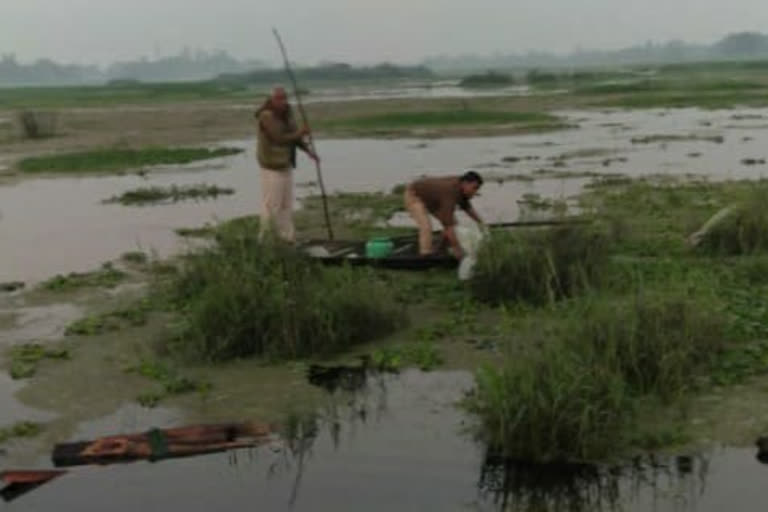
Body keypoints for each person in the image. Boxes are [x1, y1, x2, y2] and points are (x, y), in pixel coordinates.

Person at [255, 86, 318, 243]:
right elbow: (279, 138)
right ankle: (266, 240)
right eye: (279, 98)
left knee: (286, 204)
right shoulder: (266, 115)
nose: (283, 101)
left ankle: (287, 238)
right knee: (272, 205)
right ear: (271, 99)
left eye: (284, 98)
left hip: (285, 164)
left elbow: (294, 136)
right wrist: (301, 132)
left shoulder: (287, 114)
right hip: (271, 166)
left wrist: (308, 151)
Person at [404, 171, 485, 259]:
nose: (475, 192)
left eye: (477, 189)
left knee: (454, 225)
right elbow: (448, 225)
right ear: (465, 183)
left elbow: (467, 208)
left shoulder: (461, 188)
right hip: (415, 194)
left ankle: (440, 249)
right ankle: (425, 255)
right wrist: (457, 248)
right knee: (426, 226)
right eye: (474, 188)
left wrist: (481, 223)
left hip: (433, 199)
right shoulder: (449, 193)